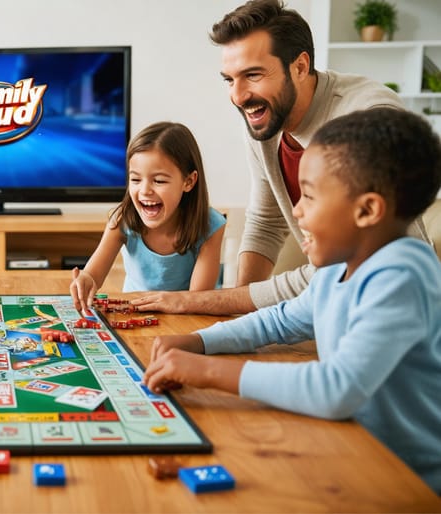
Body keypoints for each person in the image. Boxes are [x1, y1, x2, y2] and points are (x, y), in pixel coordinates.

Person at [143, 107, 441, 494]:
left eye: (310, 197)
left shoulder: (401, 275)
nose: (296, 211)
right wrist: (198, 341)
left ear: (367, 209)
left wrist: (204, 371)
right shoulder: (337, 268)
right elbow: (278, 322)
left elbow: (336, 389)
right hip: (354, 450)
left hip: (409, 480)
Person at [130, 0, 430, 315]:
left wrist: (209, 301)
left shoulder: (369, 118)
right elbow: (266, 222)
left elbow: (348, 263)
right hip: (332, 307)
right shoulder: (265, 116)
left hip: (399, 310)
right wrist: (236, 315)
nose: (238, 95)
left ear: (300, 66)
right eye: (230, 79)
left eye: (253, 75)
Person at [70, 122, 225, 311]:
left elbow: (195, 301)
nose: (144, 191)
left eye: (159, 180)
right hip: (135, 313)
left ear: (189, 181)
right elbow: (93, 275)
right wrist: (86, 280)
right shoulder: (122, 220)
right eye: (135, 179)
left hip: (186, 316)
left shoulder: (210, 226)